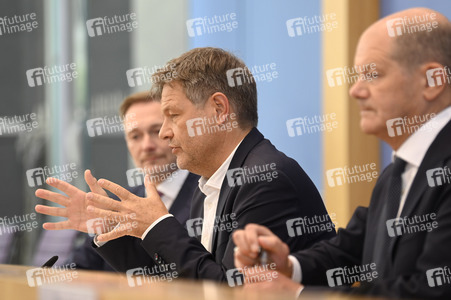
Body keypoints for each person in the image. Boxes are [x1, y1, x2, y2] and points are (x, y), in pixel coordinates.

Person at [35, 47, 336, 281]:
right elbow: (179, 280)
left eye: (173, 115)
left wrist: (157, 225)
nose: (165, 133)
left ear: (219, 110)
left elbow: (229, 291)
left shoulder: (265, 178)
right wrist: (108, 229)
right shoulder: (209, 184)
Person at [233, 7, 451, 299]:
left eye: (373, 74)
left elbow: (431, 292)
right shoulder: (395, 173)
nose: (355, 91)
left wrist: (299, 295)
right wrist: (287, 266)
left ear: (432, 81)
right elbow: (350, 249)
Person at [70, 91, 199, 271]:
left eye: (156, 131)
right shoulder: (116, 205)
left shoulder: (208, 194)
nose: (147, 146)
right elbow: (80, 268)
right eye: (135, 136)